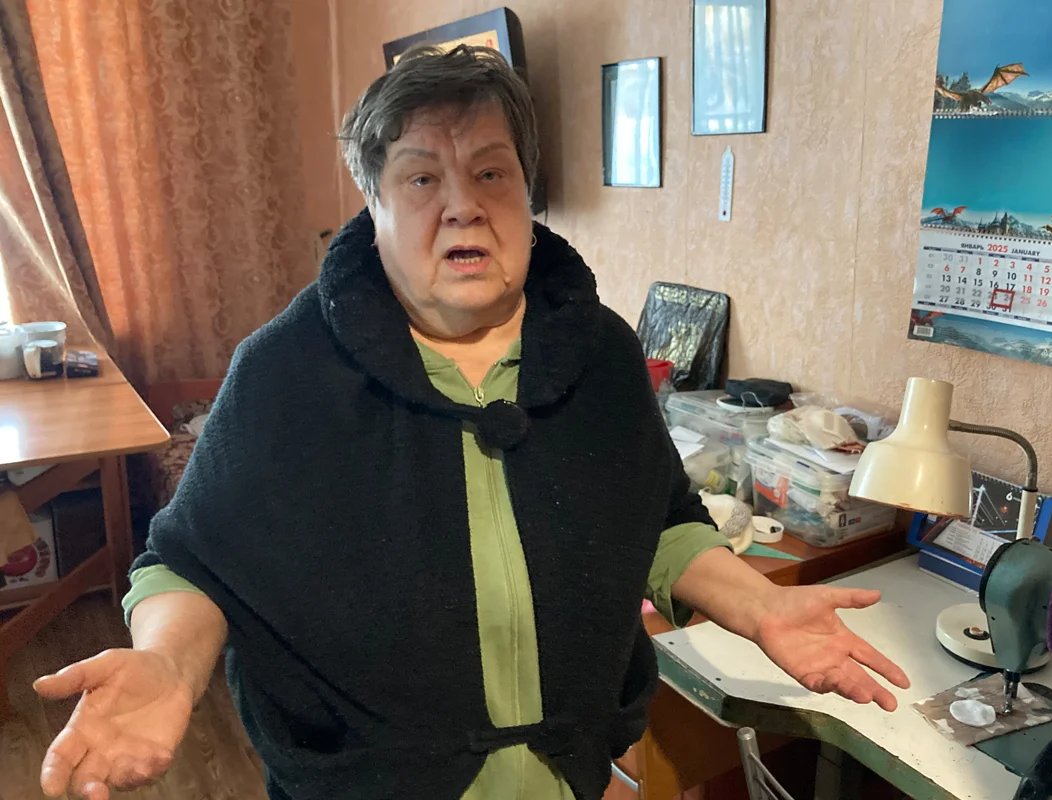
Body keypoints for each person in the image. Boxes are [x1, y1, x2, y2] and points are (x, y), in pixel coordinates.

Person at [35, 45, 909, 800]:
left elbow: (660, 524)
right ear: (373, 205)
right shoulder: (287, 370)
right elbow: (191, 563)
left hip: (571, 776)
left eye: (492, 172)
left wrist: (761, 606)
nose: (463, 205)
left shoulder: (598, 351)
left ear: (527, 193)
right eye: (421, 177)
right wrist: (167, 665)